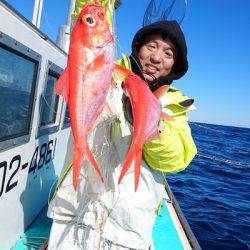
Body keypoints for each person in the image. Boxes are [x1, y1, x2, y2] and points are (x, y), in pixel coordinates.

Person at [47, 20, 197, 250]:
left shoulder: (175, 105)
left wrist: (154, 128)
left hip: (127, 231)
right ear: (138, 47)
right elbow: (87, 38)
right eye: (151, 46)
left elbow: (177, 159)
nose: (157, 58)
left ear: (175, 64)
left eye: (168, 53)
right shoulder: (107, 70)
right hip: (75, 210)